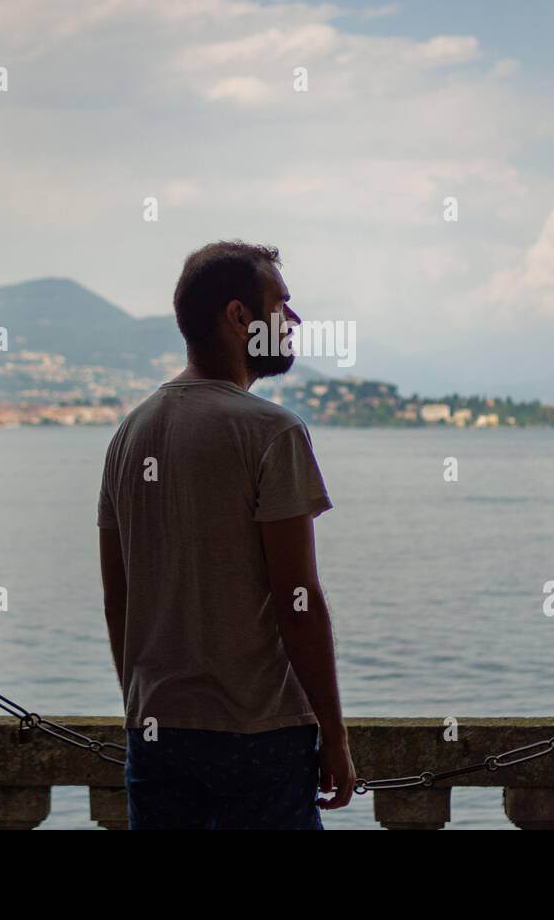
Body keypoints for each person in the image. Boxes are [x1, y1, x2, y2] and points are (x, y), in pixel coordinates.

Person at [97, 240, 355, 829]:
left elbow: (120, 601)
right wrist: (335, 736)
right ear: (239, 317)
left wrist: (142, 711)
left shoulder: (129, 435)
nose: (293, 320)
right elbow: (298, 604)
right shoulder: (272, 432)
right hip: (258, 738)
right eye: (280, 304)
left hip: (158, 736)